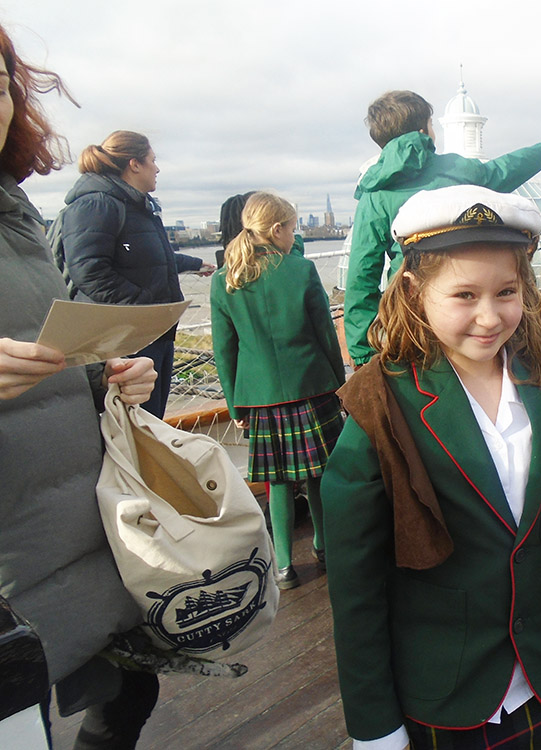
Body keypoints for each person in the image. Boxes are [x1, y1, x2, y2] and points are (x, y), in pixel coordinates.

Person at [324, 186, 541, 750]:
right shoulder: (379, 406)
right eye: (464, 294)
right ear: (414, 290)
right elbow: (356, 585)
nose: (489, 316)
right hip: (445, 695)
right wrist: (374, 727)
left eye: (506, 292)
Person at [0, 24, 161, 748]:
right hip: (16, 549)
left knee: (127, 692)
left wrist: (103, 376)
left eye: (1, 82)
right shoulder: (93, 205)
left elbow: (40, 331)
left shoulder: (16, 213)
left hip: (62, 524)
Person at [344, 89, 541, 366]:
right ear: (425, 130)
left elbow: (362, 276)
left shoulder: (373, 193)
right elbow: (501, 172)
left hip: (410, 315)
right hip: (469, 302)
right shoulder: (457, 169)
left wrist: (362, 353)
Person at [211, 191, 345, 590]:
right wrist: (338, 383)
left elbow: (224, 349)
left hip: (260, 398)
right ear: (276, 229)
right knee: (319, 475)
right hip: (311, 389)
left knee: (278, 483)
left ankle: (284, 566)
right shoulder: (301, 271)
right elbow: (325, 333)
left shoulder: (224, 280)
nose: (294, 234)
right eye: (292, 227)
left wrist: (235, 402)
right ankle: (324, 547)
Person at [58, 130, 214, 418]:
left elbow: (152, 260)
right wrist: (147, 308)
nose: (157, 168)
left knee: (151, 425)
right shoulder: (97, 204)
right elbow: (88, 271)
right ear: (134, 164)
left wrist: (195, 264)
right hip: (126, 338)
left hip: (153, 335)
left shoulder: (138, 208)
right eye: (153, 161)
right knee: (132, 428)